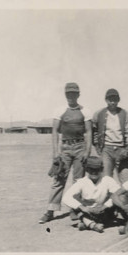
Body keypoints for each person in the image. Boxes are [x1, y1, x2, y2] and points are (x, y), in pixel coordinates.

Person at [39, 82, 92, 224]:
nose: (71, 96)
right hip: (65, 148)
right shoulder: (60, 110)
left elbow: (89, 131)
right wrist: (55, 152)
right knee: (59, 179)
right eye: (68, 94)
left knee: (78, 181)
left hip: (80, 147)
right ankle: (50, 210)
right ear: (65, 95)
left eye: (74, 93)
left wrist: (87, 150)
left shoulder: (85, 111)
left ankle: (74, 209)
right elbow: (54, 131)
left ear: (78, 95)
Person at [62, 156, 127, 233]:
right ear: (86, 169)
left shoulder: (107, 180)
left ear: (102, 169)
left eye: (97, 170)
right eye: (91, 170)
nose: (94, 172)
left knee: (118, 201)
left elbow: (118, 194)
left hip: (104, 210)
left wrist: (104, 206)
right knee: (76, 208)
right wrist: (82, 207)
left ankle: (87, 224)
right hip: (88, 211)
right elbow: (66, 197)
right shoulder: (82, 182)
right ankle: (93, 225)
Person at [93, 88, 128, 184]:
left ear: (118, 100)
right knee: (106, 179)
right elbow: (94, 131)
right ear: (106, 100)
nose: (113, 102)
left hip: (121, 149)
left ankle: (125, 198)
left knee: (127, 179)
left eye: (115, 100)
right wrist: (97, 146)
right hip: (106, 149)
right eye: (110, 100)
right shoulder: (99, 114)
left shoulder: (124, 113)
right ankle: (107, 198)